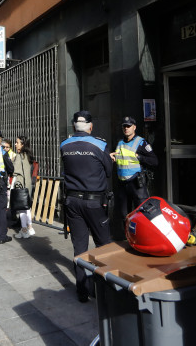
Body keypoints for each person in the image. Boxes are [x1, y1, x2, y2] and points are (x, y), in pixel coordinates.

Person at [60, 111, 113, 302]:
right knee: (104, 245)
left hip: (72, 201)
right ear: (90, 126)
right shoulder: (100, 144)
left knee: (80, 247)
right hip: (94, 202)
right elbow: (108, 171)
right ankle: (104, 291)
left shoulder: (64, 145)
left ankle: (82, 291)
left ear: (74, 126)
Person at [110, 116, 158, 239]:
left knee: (142, 213)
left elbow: (154, 161)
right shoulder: (120, 143)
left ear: (134, 127)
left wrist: (140, 157)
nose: (126, 128)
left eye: (128, 126)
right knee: (123, 214)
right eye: (124, 126)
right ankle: (127, 239)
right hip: (122, 184)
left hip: (136, 183)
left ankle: (145, 237)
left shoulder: (141, 143)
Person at [12, 136, 36, 239]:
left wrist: (12, 161)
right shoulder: (28, 155)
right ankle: (30, 227)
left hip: (20, 184)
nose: (15, 144)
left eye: (17, 142)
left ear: (22, 144)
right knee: (27, 207)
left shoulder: (19, 156)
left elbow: (15, 171)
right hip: (28, 184)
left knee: (21, 208)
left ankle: (24, 230)